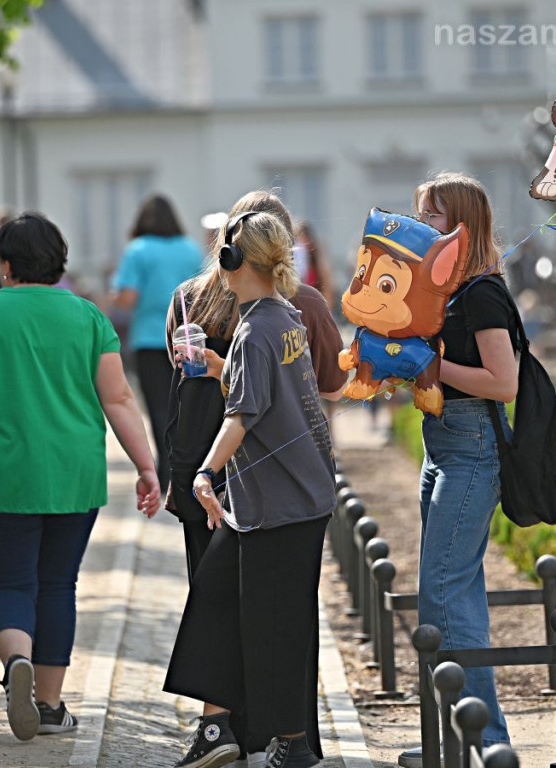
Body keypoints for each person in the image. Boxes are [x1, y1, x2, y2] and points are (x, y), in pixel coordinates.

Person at [0, 211, 160, 741]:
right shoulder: (90, 318)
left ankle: (15, 656)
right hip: (74, 473)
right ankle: (49, 704)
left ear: (7, 265)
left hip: (4, 472)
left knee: (11, 583)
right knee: (59, 585)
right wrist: (147, 465)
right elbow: (119, 397)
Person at [164, 209, 337, 768]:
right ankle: (245, 734)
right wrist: (222, 366)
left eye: (225, 253)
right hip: (289, 499)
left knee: (274, 622)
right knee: (230, 604)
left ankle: (288, 742)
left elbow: (240, 416)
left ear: (236, 262)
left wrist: (203, 474)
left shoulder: (255, 329)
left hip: (280, 504)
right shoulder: (283, 318)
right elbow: (265, 390)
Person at [397, 172, 519, 768]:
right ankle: (453, 740)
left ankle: (486, 740)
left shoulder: (482, 294)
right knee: (449, 593)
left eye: (431, 215)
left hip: (472, 447)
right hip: (443, 443)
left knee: (445, 593)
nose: (420, 225)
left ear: (461, 227)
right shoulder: (448, 290)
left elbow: (505, 382)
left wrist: (432, 366)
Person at [111, 194, 204, 492]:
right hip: (188, 339)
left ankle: (167, 473)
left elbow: (127, 299)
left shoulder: (137, 251)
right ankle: (191, 468)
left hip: (150, 339)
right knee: (187, 405)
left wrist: (112, 298)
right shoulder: (191, 249)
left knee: (158, 409)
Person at [292, 221, 335, 309]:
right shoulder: (293, 262)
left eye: (305, 239)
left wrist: (323, 313)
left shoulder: (319, 264)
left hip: (315, 311)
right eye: (299, 240)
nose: (303, 244)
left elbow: (328, 292)